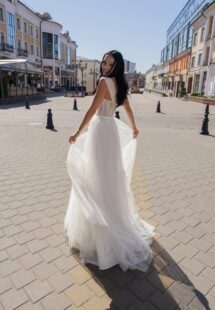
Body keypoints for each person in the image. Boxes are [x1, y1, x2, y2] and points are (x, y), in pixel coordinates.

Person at [64, 50, 154, 271]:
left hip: (99, 131)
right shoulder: (120, 84)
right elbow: (128, 109)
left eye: (110, 63)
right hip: (110, 131)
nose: (105, 66)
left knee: (94, 176)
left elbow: (91, 110)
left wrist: (76, 133)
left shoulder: (104, 82)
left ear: (117, 65)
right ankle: (113, 222)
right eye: (104, 62)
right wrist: (134, 128)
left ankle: (99, 236)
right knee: (108, 178)